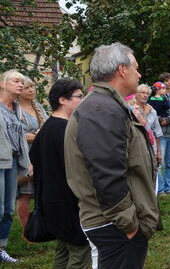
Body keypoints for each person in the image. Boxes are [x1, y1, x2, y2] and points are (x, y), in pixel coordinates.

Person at [64, 43, 159, 269]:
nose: (139, 73)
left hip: (113, 221)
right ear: (122, 70)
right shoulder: (101, 109)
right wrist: (130, 226)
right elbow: (107, 175)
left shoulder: (106, 105)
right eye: (135, 67)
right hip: (112, 223)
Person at [29, 79, 91, 269]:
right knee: (80, 250)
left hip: (52, 201)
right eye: (79, 97)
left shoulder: (47, 128)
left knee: (64, 249)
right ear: (63, 100)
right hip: (67, 201)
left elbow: (34, 158)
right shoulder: (64, 130)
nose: (83, 100)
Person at [0, 70, 31, 263]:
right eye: (15, 81)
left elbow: (20, 139)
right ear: (3, 84)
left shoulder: (17, 109)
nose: (20, 84)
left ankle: (1, 248)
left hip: (12, 161)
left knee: (8, 209)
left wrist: (27, 163)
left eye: (22, 81)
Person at [17, 76, 48, 231]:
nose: (31, 90)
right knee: (25, 194)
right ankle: (26, 230)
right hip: (25, 157)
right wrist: (36, 137)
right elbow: (16, 135)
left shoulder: (38, 106)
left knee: (41, 192)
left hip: (41, 155)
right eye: (27, 87)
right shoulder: (15, 109)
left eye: (32, 87)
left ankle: (40, 228)